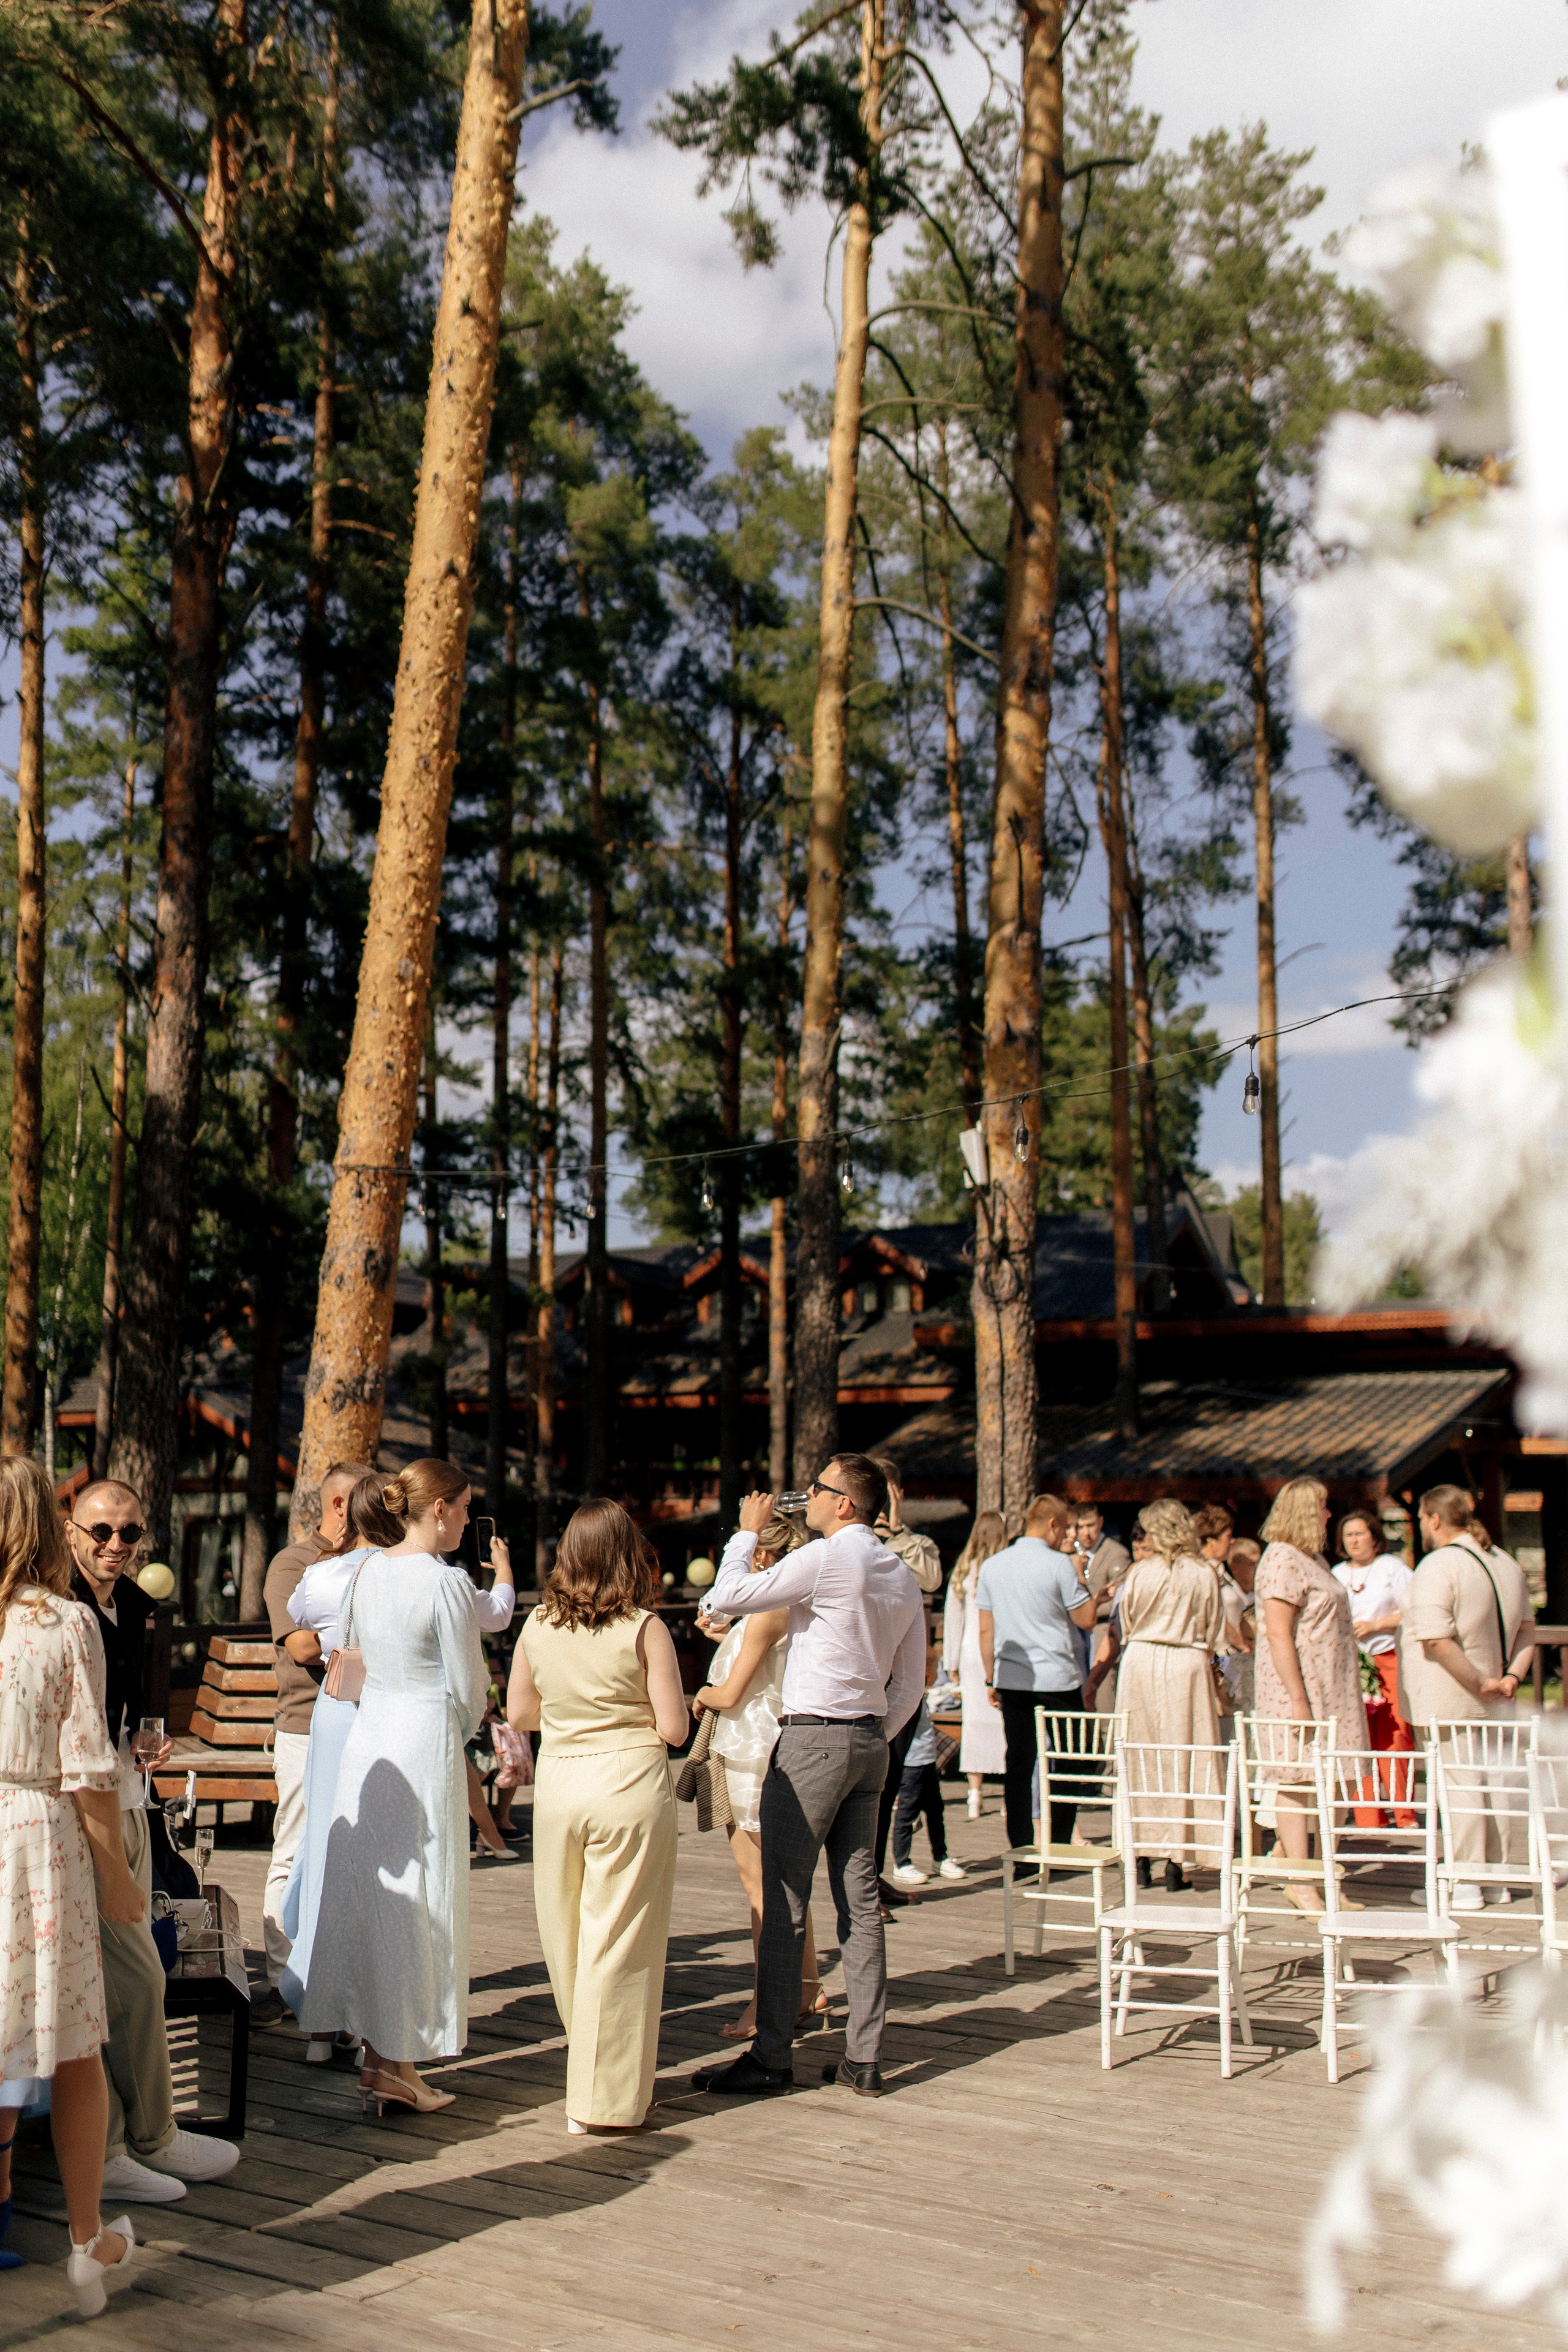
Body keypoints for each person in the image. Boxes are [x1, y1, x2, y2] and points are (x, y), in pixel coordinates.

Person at [692, 1457, 925, 2101]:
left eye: (819, 1489)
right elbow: (910, 1680)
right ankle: (865, 2056)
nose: (808, 1498)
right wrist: (876, 1731)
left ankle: (771, 2056)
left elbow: (728, 1597)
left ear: (845, 1504)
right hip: (868, 1743)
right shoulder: (898, 1573)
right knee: (859, 1903)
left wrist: (745, 1532)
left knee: (784, 1898)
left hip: (812, 1738)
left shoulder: (828, 1558)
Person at [65, 1480, 238, 2202]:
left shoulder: (131, 1606)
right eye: (101, 1531)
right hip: (81, 1812)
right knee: (133, 1975)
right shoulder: (58, 1611)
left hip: (128, 1799)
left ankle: (132, 2141)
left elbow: (116, 1711)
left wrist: (139, 1737)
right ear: (70, 1530)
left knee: (126, 1975)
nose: (114, 1546)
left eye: (129, 1534)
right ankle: (136, 2144)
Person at [300, 1459, 488, 2114]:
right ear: (439, 1509)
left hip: (369, 1734)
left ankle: (386, 2058)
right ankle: (397, 2059)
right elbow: (470, 1689)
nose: (468, 1518)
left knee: (373, 1895)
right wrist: (457, 1729)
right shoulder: (446, 1583)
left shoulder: (369, 1568)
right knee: (419, 1899)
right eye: (464, 1506)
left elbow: (344, 1649)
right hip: (420, 1735)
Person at [0, 1457, 145, 2312]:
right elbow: (91, 1770)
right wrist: (119, 1878)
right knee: (73, 2044)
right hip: (34, 1839)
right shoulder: (62, 1625)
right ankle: (87, 2244)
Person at [508, 1501, 686, 2132]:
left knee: (567, 1938)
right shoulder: (645, 1628)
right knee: (622, 1941)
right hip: (628, 1785)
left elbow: (521, 1713)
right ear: (626, 1552)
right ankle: (603, 2100)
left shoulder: (536, 1624)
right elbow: (673, 1727)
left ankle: (588, 2071)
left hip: (560, 1787)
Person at [277, 1472, 407, 2052]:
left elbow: (297, 1625)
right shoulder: (413, 1573)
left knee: (327, 1847)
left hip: (335, 1708)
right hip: (391, 1711)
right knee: (379, 1858)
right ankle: (360, 2010)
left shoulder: (321, 1574)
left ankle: (318, 2014)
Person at [692, 1512, 829, 2041]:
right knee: (784, 1886)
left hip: (753, 1751)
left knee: (762, 1889)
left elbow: (729, 1694)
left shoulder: (772, 1603)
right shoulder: (780, 1606)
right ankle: (807, 1985)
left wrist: (701, 1694)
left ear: (763, 1559)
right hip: (765, 1743)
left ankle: (769, 2000)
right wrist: (726, 1632)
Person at [260, 1459, 371, 2001]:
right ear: (339, 1506)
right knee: (295, 1849)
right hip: (306, 1727)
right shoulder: (294, 1563)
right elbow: (300, 1645)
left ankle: (330, 1980)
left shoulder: (373, 1563)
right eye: (370, 1498)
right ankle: (283, 1981)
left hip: (363, 1727)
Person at [1401, 1483, 1535, 1907]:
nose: (1423, 1525)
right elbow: (1529, 1629)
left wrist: (1480, 1682)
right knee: (1493, 1784)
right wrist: (1511, 1676)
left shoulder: (1439, 1564)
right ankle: (1494, 1880)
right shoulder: (1507, 1563)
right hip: (1499, 1692)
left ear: (1435, 1519)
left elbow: (1435, 1640)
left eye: (1422, 1518)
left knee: (1460, 1786)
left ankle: (1465, 1884)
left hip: (1453, 1694)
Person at [1254, 1477, 1368, 1914]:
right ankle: (1301, 1882)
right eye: (1321, 1508)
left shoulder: (1314, 1558)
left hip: (1334, 1685)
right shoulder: (1282, 1558)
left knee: (1336, 1781)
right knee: (1298, 1780)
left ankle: (1328, 1875)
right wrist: (1298, 1698)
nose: (1328, 1515)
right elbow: (1279, 1633)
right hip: (1300, 1688)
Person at [978, 1493, 1097, 1860]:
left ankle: (1023, 1849)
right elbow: (1086, 1619)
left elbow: (986, 1631)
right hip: (1057, 1677)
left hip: (1013, 1676)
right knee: (1071, 1759)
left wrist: (989, 1678)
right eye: (1064, 1528)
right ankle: (1060, 1842)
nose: (1065, 1536)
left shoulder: (992, 1566)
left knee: (1019, 1762)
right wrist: (1080, 1576)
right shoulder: (1060, 1564)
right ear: (1052, 1524)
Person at [1115, 1498, 1225, 1892]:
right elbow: (1214, 1628)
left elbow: (1126, 1621)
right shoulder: (1203, 1573)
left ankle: (1141, 1855)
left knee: (1144, 1756)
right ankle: (1177, 1860)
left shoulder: (1140, 1572)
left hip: (1142, 1661)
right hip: (1187, 1666)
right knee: (1185, 1757)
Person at [867, 1455, 940, 1907]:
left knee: (892, 1776)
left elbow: (930, 1579)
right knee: (869, 1782)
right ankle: (861, 1882)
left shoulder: (916, 1544)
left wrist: (897, 1534)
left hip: (904, 1674)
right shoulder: (846, 1544)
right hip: (867, 1670)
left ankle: (874, 1873)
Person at [1335, 1507, 1416, 1830]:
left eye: (1360, 1533)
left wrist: (1377, 1625)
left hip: (1387, 1658)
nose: (1355, 1540)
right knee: (1358, 1737)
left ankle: (1404, 1813)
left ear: (1374, 1536)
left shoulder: (1392, 1568)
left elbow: (1414, 1609)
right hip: (1350, 1665)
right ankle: (1369, 1816)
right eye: (1348, 1535)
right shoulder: (1337, 1573)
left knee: (1395, 1735)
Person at [941, 1510, 1007, 1817]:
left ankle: (974, 1792)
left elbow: (953, 1619)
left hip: (970, 1652)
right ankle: (1009, 1792)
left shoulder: (965, 1570)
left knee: (975, 1722)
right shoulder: (1003, 1569)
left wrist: (952, 1659)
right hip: (998, 1650)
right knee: (1004, 1722)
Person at [889, 1695, 965, 1885]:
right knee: (906, 1816)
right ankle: (902, 1863)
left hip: (928, 1760)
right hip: (910, 1763)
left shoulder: (920, 1695)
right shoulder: (902, 1695)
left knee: (936, 1811)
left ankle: (941, 1857)